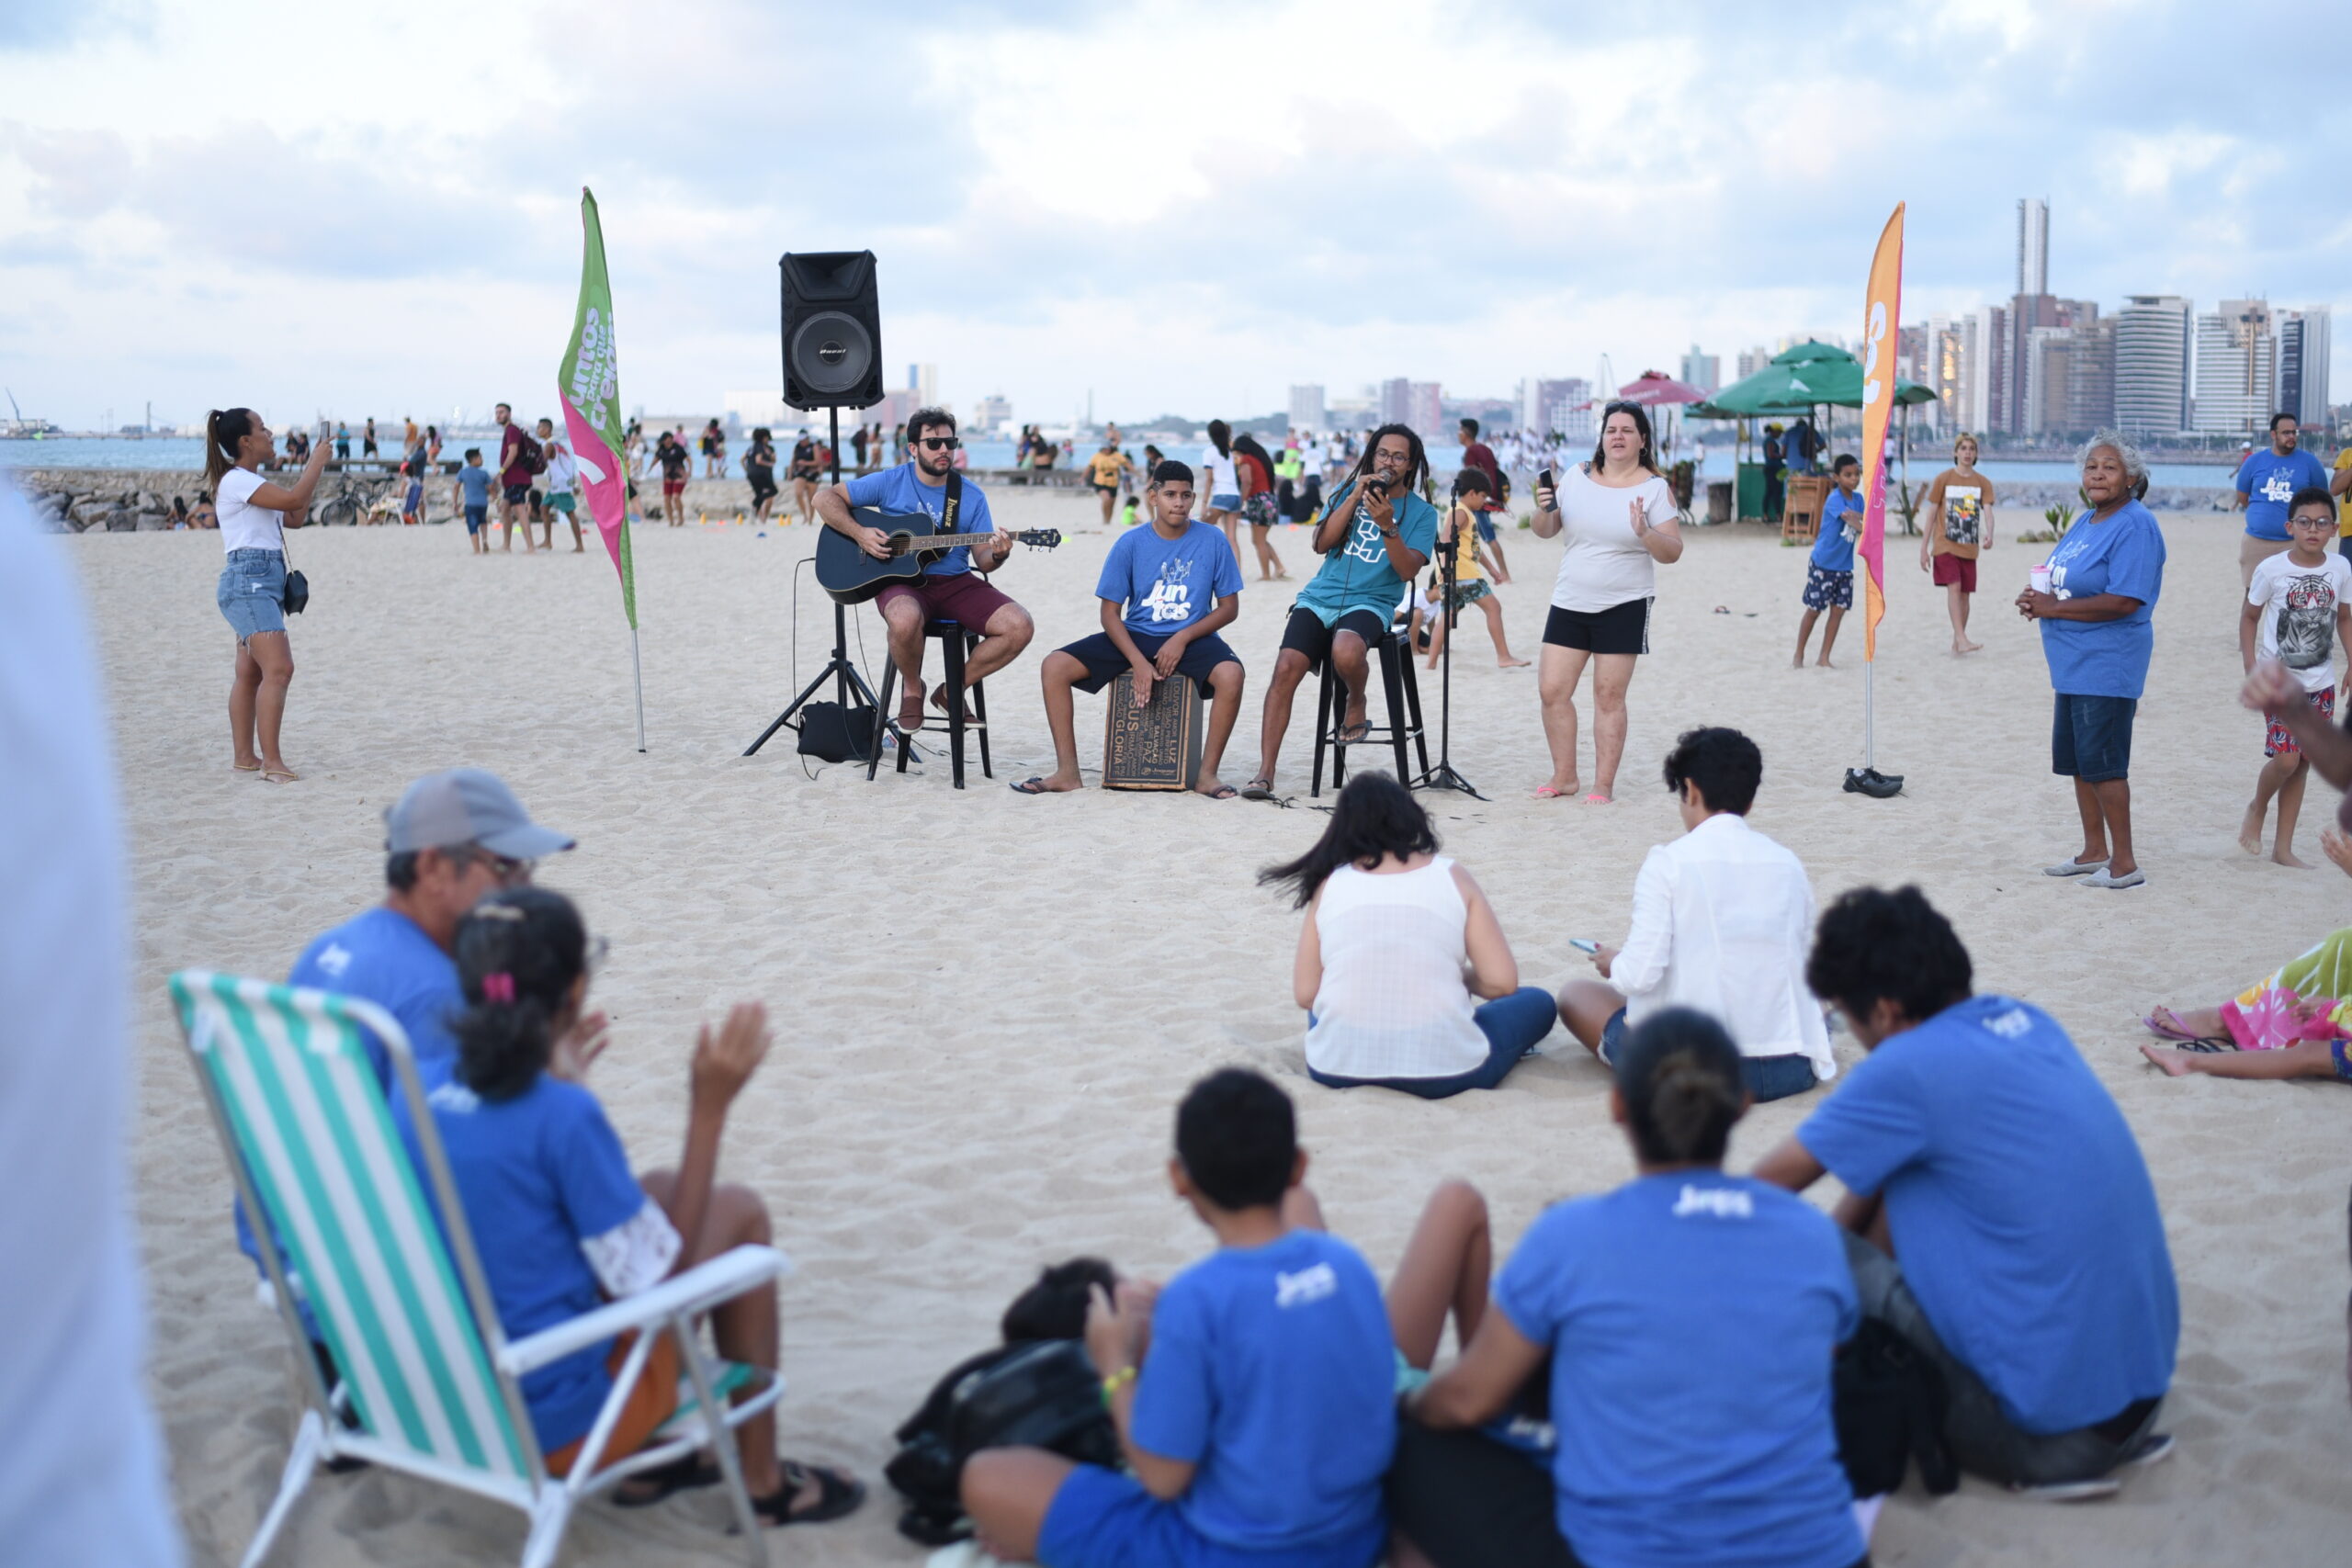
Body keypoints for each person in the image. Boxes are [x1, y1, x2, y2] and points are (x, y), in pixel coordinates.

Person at [399, 886, 865, 1526]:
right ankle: (761, 1482)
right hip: (557, 1419)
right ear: (574, 990)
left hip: (433, 1397)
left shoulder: (414, 1085)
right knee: (744, 1215)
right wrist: (709, 1109)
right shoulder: (561, 1114)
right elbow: (662, 1285)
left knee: (656, 1186)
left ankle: (662, 1463)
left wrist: (559, 1081)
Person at [1389, 1009, 1865, 1568]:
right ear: (1740, 1104)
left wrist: (1411, 1402)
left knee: (1400, 1448)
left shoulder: (1573, 1236)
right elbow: (1826, 1357)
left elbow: (1470, 1398)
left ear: (1618, 1106)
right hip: (1822, 1553)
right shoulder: (1810, 1234)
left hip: (1633, 1551)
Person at [1753, 886, 2177, 1495]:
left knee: (1791, 1243)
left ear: (1888, 1009)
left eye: (1845, 1015)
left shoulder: (1908, 1069)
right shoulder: (2025, 1021)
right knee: (1903, 1170)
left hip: (2049, 1442)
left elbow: (1761, 1189)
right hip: (2138, 1406)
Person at [958, 1068, 1395, 1568]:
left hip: (1228, 1553)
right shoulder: (1345, 1263)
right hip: (1356, 1536)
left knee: (987, 1477)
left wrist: (1114, 1368)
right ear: (1298, 1167)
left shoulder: (1196, 1298)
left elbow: (1162, 1478)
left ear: (1178, 1178)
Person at [0, 489, 188, 1567]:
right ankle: (259, 756)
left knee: (270, 668)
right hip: (63, 1519)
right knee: (266, 665)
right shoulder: (19, 581)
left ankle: (262, 756)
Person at [1556, 727, 1836, 1101]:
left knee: (1577, 995)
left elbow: (1638, 977)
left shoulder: (1668, 862)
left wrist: (1615, 963)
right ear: (1749, 801)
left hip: (1697, 1071)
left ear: (1691, 790)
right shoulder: (1787, 863)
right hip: (1789, 1067)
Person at [1262, 772, 1555, 1097]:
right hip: (1447, 1071)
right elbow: (1501, 983)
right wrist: (1460, 977)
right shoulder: (1451, 875)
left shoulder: (1329, 884)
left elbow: (1306, 995)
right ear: (1411, 817)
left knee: (1332, 1005)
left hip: (1336, 1068)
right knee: (1538, 1002)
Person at [1014, 461, 1245, 799]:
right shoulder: (1130, 543)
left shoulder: (1213, 540)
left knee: (1232, 675)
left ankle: (1207, 775)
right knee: (1054, 666)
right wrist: (1137, 661)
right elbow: (1109, 614)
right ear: (1153, 496)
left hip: (1194, 635)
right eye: (1169, 494)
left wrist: (1182, 637)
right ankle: (1067, 772)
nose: (1177, 503)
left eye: (1185, 495)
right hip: (1137, 633)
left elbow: (1229, 608)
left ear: (1194, 498)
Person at [1241, 424, 1436, 801]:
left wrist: (1387, 527)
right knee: (1285, 667)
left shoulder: (1423, 513)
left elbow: (1408, 571)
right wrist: (1354, 498)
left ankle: (1356, 699)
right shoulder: (1350, 492)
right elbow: (1321, 544)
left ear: (1410, 465)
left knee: (1346, 649)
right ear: (1371, 456)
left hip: (1372, 601)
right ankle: (1265, 773)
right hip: (1320, 597)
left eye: (1398, 457)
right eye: (1382, 454)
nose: (1388, 462)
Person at [821, 407, 1035, 735]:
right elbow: (824, 498)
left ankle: (951, 690)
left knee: (1019, 625)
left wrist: (999, 554)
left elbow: (983, 561)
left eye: (950, 443)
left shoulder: (971, 496)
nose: (944, 450)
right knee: (904, 619)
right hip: (902, 584)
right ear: (913, 448)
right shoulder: (891, 481)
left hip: (956, 582)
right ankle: (912, 689)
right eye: (933, 444)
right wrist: (860, 533)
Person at [2018, 431, 2167, 890]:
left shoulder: (2136, 524)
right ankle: (2094, 852)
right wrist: (2037, 596)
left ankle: (2125, 863)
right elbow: (2065, 578)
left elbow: (2126, 599)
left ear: (2131, 478)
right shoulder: (2088, 520)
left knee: (2104, 765)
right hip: (2071, 664)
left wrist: (2054, 608)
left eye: (2110, 467)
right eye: (2091, 467)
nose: (2098, 474)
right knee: (2080, 763)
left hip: (2108, 662)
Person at [1530, 401, 1684, 802]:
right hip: (1570, 599)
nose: (1617, 436)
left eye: (1627, 430)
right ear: (1602, 437)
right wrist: (1544, 507)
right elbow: (1545, 530)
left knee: (1609, 696)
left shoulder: (1654, 489)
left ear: (1643, 440)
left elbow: (1672, 552)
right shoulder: (1576, 476)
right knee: (1552, 690)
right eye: (1611, 429)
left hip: (1624, 603)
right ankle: (1564, 776)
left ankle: (1603, 785)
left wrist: (1645, 532)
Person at [205, 408, 325, 785]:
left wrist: (309, 475)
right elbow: (292, 503)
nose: (271, 433)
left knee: (251, 671)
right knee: (280, 668)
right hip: (249, 582)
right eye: (262, 428)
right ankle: (272, 762)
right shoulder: (237, 481)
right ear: (246, 441)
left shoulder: (251, 482)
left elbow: (295, 517)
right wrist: (316, 463)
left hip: (262, 580)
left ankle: (245, 757)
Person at [2239, 489, 2350, 867]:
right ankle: (2258, 807)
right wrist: (2251, 663)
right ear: (2290, 526)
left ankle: (2282, 849)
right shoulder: (2271, 569)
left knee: (2303, 763)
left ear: (2334, 528)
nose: (2313, 530)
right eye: (2304, 522)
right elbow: (2249, 617)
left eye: (2322, 523)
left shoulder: (2340, 568)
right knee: (2286, 760)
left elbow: (2346, 618)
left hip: (2321, 684)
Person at [1425, 469, 1525, 670]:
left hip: (1456, 574)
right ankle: (1503, 657)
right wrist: (1445, 567)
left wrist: (1493, 571)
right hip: (1463, 575)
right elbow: (1445, 539)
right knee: (1494, 608)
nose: (1483, 501)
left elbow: (1475, 550)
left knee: (1446, 618)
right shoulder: (1461, 512)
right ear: (1472, 493)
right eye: (1482, 496)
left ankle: (1431, 663)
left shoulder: (1463, 512)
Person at [1918, 432, 1996, 653]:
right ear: (1955, 452)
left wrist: (1990, 534)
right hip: (1945, 544)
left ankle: (1957, 641)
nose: (1967, 453)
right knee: (1954, 587)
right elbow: (1931, 514)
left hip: (1969, 547)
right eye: (1963, 448)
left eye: (1971, 449)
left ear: (1976, 454)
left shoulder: (1983, 482)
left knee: (1965, 595)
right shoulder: (1943, 479)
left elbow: (1988, 511)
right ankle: (1962, 638)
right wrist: (1924, 548)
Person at [2234, 412, 2330, 588]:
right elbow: (2243, 496)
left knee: (2294, 598)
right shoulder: (2254, 461)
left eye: (2294, 432)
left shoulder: (2310, 463)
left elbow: (2322, 500)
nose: (2291, 436)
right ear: (2273, 434)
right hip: (2257, 542)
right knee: (2253, 598)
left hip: (2296, 542)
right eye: (2286, 433)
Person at [1794, 454, 1862, 668]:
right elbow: (1853, 521)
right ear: (1836, 477)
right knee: (1814, 610)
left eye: (1857, 474)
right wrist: (1866, 526)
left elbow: (1861, 519)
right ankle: (1799, 654)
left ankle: (1824, 656)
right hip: (1823, 563)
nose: (1853, 479)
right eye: (1848, 475)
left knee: (1838, 611)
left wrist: (1864, 523)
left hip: (1845, 566)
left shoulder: (1859, 499)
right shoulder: (1834, 499)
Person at [1456, 417, 1511, 583]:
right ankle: (1502, 573)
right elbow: (1494, 470)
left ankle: (1504, 574)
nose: (1458, 434)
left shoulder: (1471, 452)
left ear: (1466, 433)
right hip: (1489, 498)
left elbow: (1470, 477)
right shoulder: (1485, 449)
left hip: (1478, 501)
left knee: (1488, 537)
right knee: (1483, 536)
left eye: (1459, 431)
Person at [1234, 430, 1288, 582]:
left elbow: (1247, 482)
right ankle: (1279, 566)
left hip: (1258, 500)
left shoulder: (1246, 459)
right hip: (1269, 499)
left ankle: (1266, 574)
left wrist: (1240, 502)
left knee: (1258, 541)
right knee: (1261, 539)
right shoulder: (1259, 459)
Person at [489, 402, 534, 553]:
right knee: (505, 509)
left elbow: (513, 452)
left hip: (517, 478)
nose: (499, 415)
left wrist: (501, 471)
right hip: (512, 479)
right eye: (497, 413)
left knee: (520, 510)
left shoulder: (512, 431)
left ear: (509, 414)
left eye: (501, 412)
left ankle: (530, 547)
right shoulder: (509, 431)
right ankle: (506, 545)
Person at [535, 417, 582, 552]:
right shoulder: (558, 444)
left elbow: (540, 463)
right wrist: (573, 483)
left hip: (559, 484)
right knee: (544, 508)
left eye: (540, 427)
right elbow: (568, 464)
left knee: (570, 513)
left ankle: (580, 545)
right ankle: (547, 542)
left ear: (547, 429)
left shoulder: (549, 445)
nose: (538, 430)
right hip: (559, 483)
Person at [1199, 420, 1243, 555]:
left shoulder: (1209, 452)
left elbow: (1209, 479)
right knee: (1232, 539)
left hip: (1222, 495)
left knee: (1202, 531)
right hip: (1235, 496)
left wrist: (1204, 503)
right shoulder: (1230, 452)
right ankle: (1237, 573)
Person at [453, 447, 492, 553]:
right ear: (473, 459)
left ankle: (477, 550)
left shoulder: (463, 472)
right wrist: (495, 498)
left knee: (473, 526)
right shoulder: (484, 473)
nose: (482, 460)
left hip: (470, 504)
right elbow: (491, 488)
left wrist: (455, 502)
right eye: (480, 458)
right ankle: (484, 540)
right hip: (483, 503)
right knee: (483, 522)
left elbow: (456, 487)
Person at [1086, 441, 1133, 525]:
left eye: (1107, 449)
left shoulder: (1117, 455)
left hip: (1113, 483)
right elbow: (1089, 467)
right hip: (1100, 482)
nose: (1106, 451)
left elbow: (1126, 464)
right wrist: (1083, 477)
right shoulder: (1097, 456)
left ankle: (1108, 521)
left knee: (1111, 503)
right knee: (1106, 499)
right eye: (1104, 449)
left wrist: (1136, 472)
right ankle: (1104, 518)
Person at [743, 425, 780, 525]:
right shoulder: (759, 446)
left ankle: (757, 517)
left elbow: (742, 459)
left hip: (752, 474)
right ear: (764, 437)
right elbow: (758, 460)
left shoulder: (752, 447)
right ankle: (757, 510)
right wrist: (769, 464)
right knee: (773, 491)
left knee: (760, 495)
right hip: (762, 474)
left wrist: (747, 470)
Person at [658, 431, 692, 526]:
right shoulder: (662, 449)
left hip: (679, 476)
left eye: (666, 439)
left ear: (671, 439)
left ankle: (681, 518)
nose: (665, 442)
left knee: (676, 497)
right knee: (667, 499)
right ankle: (671, 520)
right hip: (667, 477)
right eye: (664, 440)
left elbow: (689, 459)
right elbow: (656, 459)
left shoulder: (678, 448)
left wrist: (689, 471)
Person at [789, 429, 823, 523]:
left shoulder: (813, 446)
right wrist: (790, 473)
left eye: (803, 440)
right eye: (800, 440)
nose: (802, 442)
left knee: (811, 498)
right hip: (800, 473)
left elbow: (818, 461)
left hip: (812, 473)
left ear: (807, 438)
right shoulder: (797, 447)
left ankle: (810, 520)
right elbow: (793, 460)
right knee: (798, 493)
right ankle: (804, 515)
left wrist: (805, 463)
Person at [1762, 423, 1787, 520]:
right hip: (1773, 469)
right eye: (1779, 432)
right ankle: (1775, 514)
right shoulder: (1770, 440)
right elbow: (1771, 454)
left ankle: (1769, 514)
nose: (1780, 435)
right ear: (1774, 431)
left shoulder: (1768, 439)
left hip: (1772, 469)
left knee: (1771, 492)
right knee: (1773, 492)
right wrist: (1782, 456)